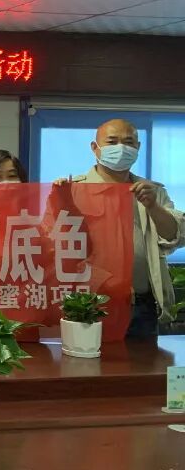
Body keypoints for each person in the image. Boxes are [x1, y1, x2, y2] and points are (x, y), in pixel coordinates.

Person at [66, 119, 185, 339]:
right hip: (89, 304)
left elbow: (175, 237)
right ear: (95, 148)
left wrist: (153, 206)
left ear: (137, 148)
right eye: (112, 142)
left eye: (129, 142)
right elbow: (55, 247)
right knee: (87, 360)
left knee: (143, 361)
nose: (121, 148)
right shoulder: (73, 190)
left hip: (142, 305)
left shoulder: (152, 191)